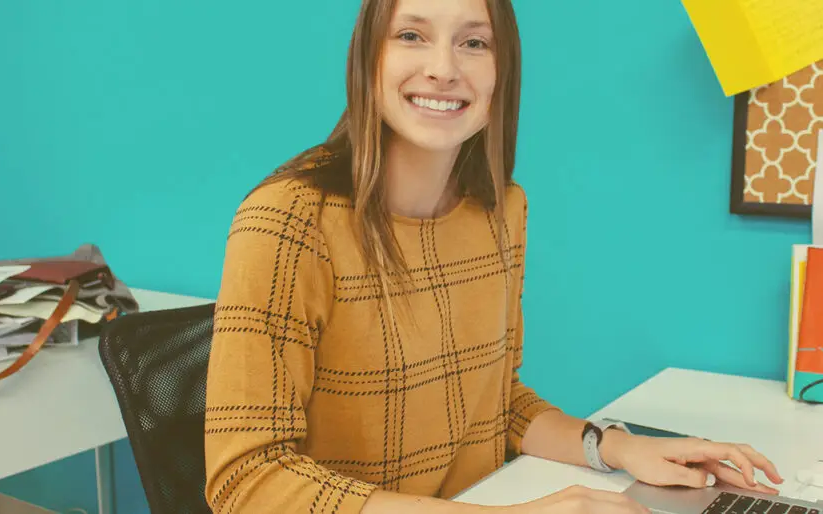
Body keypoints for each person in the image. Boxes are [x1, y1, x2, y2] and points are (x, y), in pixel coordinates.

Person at [202, 0, 785, 512]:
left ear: (502, 71)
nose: (443, 68)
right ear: (366, 59)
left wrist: (621, 446)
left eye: (473, 43)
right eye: (411, 35)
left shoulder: (501, 211)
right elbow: (247, 482)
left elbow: (494, 405)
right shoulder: (289, 221)